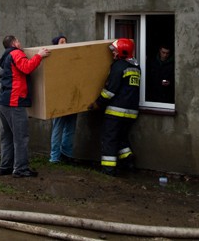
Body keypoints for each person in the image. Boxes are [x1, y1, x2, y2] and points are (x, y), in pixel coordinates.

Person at [0, 35, 50, 178]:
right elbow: (26, 68)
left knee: (7, 136)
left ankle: (5, 166)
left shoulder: (6, 57)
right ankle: (20, 169)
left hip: (2, 102)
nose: (20, 43)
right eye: (18, 40)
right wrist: (39, 55)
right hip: (14, 102)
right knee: (21, 137)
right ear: (14, 43)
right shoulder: (16, 53)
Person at [88, 38, 140, 176]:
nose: (113, 54)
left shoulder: (118, 66)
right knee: (122, 138)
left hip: (116, 112)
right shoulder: (135, 66)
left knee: (109, 139)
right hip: (132, 112)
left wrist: (98, 103)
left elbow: (109, 91)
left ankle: (108, 169)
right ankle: (129, 162)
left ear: (122, 52)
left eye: (115, 51)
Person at [49, 34, 77, 164]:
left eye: (66, 41)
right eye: (61, 42)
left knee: (70, 128)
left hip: (72, 98)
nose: (65, 43)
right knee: (58, 127)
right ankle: (54, 157)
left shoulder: (72, 58)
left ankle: (66, 154)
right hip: (59, 99)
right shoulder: (53, 59)